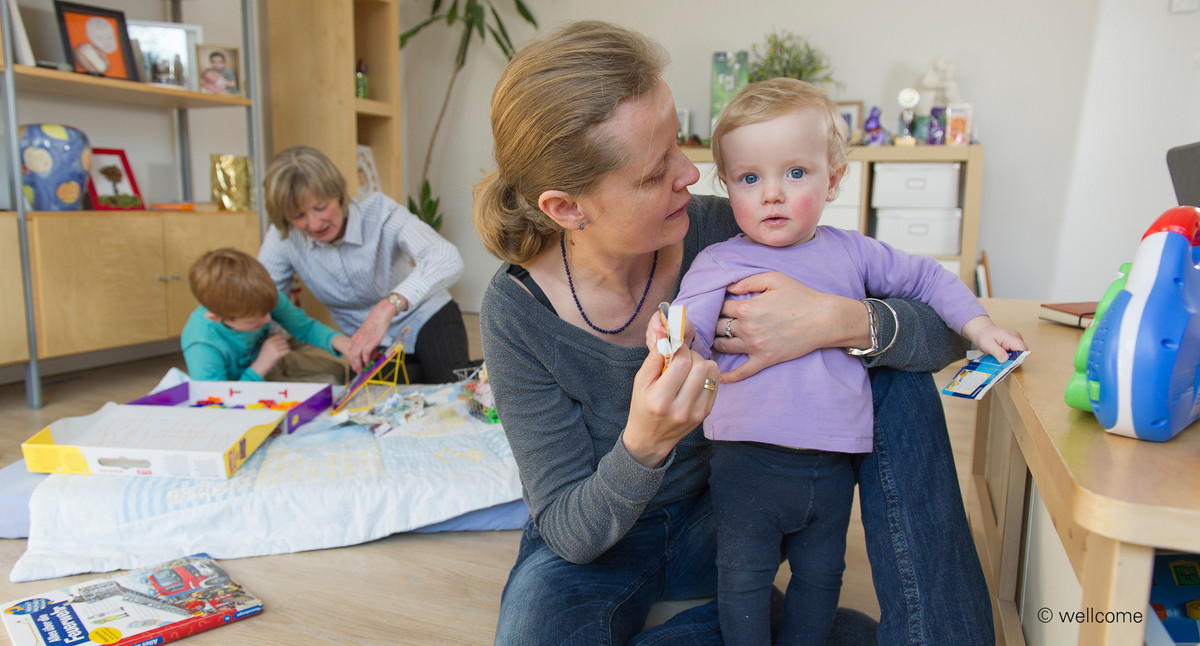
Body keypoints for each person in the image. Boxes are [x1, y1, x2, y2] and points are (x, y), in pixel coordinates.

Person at [474, 20, 996, 646]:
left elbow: (945, 336)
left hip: (732, 508)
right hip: (603, 539)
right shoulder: (516, 312)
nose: (691, 176)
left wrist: (838, 321)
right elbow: (569, 531)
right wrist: (645, 443)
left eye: (679, 146)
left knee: (892, 378)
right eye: (654, 172)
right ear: (566, 208)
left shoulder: (738, 229)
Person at [650, 77, 1025, 645]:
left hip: (833, 465)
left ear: (835, 179)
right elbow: (691, 329)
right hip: (747, 463)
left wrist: (980, 325)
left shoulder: (853, 252)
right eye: (751, 179)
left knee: (822, 576)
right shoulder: (718, 261)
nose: (771, 194)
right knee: (744, 578)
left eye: (795, 173)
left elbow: (926, 279)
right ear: (726, 185)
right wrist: (671, 337)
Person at [258, 146, 471, 384]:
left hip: (425, 314)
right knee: (380, 406)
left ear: (338, 194)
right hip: (367, 339)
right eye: (298, 216)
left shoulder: (379, 211)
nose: (314, 223)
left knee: (453, 387)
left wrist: (388, 306)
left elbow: (446, 257)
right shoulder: (283, 236)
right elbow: (263, 297)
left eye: (320, 207)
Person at [181, 247, 351, 382]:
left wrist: (342, 343)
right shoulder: (201, 343)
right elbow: (217, 403)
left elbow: (304, 327)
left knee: (336, 371)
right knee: (328, 384)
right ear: (216, 317)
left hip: (271, 360)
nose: (268, 319)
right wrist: (260, 366)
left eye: (268, 312)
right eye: (255, 321)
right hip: (248, 379)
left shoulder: (262, 298)